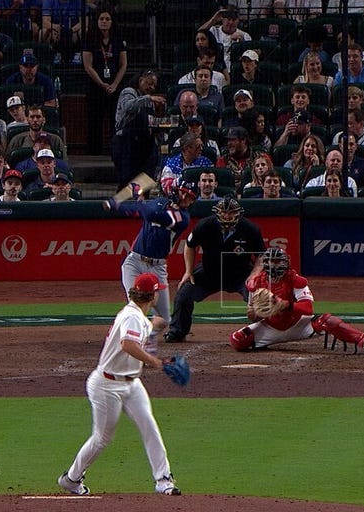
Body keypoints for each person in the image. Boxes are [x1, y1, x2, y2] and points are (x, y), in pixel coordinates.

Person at [57, 272, 182, 498]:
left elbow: (141, 328)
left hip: (132, 384)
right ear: (152, 295)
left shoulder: (136, 315)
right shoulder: (132, 317)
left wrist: (153, 324)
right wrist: (156, 362)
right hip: (107, 385)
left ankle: (163, 480)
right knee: (102, 438)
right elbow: (127, 344)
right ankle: (71, 479)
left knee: (149, 426)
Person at [229, 248, 364, 353]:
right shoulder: (255, 284)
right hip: (270, 327)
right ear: (265, 264)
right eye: (272, 261)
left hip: (298, 325)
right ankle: (263, 343)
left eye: (278, 261)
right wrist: (254, 312)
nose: (276, 265)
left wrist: (285, 305)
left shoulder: (295, 279)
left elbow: (308, 309)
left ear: (285, 262)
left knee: (328, 321)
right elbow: (252, 316)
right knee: (237, 340)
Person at [103, 180, 196, 350]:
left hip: (157, 267)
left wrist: (138, 196)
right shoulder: (159, 202)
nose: (186, 198)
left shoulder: (183, 218)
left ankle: (146, 336)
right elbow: (137, 209)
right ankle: (128, 341)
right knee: (135, 307)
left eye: (190, 197)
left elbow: (150, 214)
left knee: (164, 319)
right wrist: (116, 204)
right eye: (184, 193)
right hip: (134, 262)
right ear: (175, 191)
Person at [164, 197, 264, 343]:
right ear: (217, 212)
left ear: (238, 213)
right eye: (223, 212)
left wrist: (254, 275)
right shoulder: (205, 225)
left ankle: (262, 334)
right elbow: (190, 245)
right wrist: (188, 271)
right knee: (184, 293)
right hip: (209, 272)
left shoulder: (250, 229)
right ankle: (177, 331)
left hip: (240, 274)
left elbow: (261, 255)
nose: (227, 216)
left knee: (259, 296)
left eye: (231, 212)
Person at [82, 8, 127, 155]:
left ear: (112, 22)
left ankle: (116, 151)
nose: (104, 22)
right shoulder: (90, 39)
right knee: (95, 121)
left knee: (115, 120)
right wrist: (102, 84)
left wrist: (114, 84)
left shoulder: (118, 39)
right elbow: (88, 66)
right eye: (101, 19)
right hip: (95, 86)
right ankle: (94, 153)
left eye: (107, 19)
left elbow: (123, 64)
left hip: (114, 86)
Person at [111, 69, 165, 188]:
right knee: (127, 182)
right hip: (125, 144)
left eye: (154, 85)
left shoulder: (149, 100)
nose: (152, 87)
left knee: (144, 184)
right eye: (149, 83)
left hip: (144, 146)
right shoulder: (129, 92)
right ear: (140, 80)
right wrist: (148, 98)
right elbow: (128, 107)